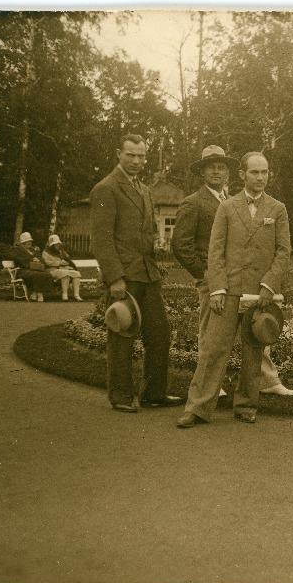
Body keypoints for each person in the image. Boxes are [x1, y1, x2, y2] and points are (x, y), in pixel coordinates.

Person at [173, 145, 293, 401]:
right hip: (216, 280)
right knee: (212, 337)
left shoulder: (230, 199)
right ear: (202, 172)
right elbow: (180, 245)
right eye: (212, 167)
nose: (217, 172)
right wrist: (205, 274)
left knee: (254, 332)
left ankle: (266, 381)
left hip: (245, 279)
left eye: (222, 167)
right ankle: (211, 386)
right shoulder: (194, 202)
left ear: (231, 173)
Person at [90, 134, 185, 413]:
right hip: (125, 276)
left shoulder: (144, 189)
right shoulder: (106, 188)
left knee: (160, 332)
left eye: (141, 156)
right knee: (122, 334)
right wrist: (115, 278)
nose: (136, 161)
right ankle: (120, 395)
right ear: (119, 154)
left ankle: (153, 393)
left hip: (148, 274)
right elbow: (101, 240)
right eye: (130, 155)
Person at [12, 231, 53, 302]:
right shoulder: (17, 250)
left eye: (30, 241)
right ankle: (40, 294)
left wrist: (38, 260)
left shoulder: (33, 250)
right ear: (23, 243)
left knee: (46, 274)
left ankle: (34, 293)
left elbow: (42, 260)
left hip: (35, 269)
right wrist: (31, 260)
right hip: (23, 270)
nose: (29, 243)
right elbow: (18, 260)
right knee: (37, 274)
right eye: (27, 241)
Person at [42, 234, 83, 301]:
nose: (58, 245)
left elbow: (68, 259)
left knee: (76, 273)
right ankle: (65, 295)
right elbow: (46, 263)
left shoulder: (61, 251)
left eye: (58, 244)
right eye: (56, 244)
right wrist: (59, 263)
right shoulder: (45, 252)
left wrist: (67, 261)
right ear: (52, 245)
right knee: (65, 274)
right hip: (51, 270)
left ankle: (76, 295)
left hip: (62, 269)